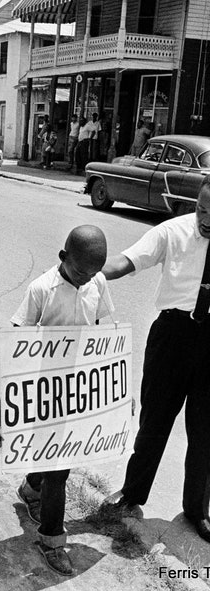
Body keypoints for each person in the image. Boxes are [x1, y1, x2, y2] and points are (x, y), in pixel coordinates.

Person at [102, 177, 210, 544]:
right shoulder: (173, 231)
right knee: (154, 422)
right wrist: (85, 272)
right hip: (172, 337)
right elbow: (127, 261)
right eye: (202, 208)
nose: (206, 218)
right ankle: (132, 494)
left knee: (206, 432)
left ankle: (197, 509)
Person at [11, 225, 114, 575]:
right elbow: (18, 340)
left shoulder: (97, 284)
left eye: (93, 272)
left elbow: (104, 329)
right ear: (63, 258)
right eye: (80, 271)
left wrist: (116, 388)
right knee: (60, 468)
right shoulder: (41, 289)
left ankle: (30, 487)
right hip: (45, 388)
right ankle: (52, 540)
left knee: (56, 457)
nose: (86, 279)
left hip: (80, 387)